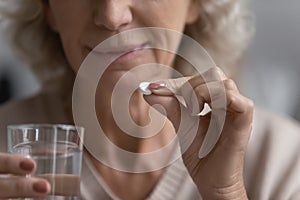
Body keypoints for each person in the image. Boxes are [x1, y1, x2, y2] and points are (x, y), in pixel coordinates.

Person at [0, 0, 299, 199]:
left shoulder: (282, 161)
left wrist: (226, 193)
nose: (112, 15)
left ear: (194, 3)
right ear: (49, 9)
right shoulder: (6, 152)